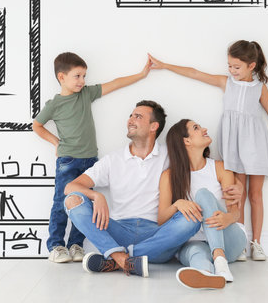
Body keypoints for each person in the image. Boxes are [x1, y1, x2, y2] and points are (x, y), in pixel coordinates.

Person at [149, 40, 268, 261]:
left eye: (236, 67)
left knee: (256, 195)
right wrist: (165, 65)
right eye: (229, 65)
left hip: (255, 143)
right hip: (233, 143)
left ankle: (256, 243)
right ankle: (239, 241)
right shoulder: (226, 83)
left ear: (252, 65)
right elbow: (195, 73)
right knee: (235, 194)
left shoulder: (260, 88)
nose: (231, 70)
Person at [33, 52, 151, 264]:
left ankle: (76, 245)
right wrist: (55, 142)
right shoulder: (55, 104)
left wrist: (141, 75)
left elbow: (115, 84)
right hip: (67, 161)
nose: (82, 81)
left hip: (90, 160)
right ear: (62, 77)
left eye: (84, 76)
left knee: (84, 202)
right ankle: (56, 246)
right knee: (61, 202)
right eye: (77, 76)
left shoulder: (86, 94)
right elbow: (37, 126)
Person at [63, 101, 202, 277]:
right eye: (130, 115)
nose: (130, 120)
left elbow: (201, 166)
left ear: (154, 126)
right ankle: (122, 258)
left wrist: (232, 184)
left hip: (158, 236)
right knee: (73, 200)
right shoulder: (113, 159)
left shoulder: (170, 155)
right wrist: (96, 195)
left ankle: (117, 259)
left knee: (193, 218)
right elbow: (70, 187)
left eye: (138, 116)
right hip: (119, 231)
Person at [158, 119, 246, 289]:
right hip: (194, 241)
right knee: (196, 253)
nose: (205, 129)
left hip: (229, 241)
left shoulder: (220, 168)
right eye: (196, 128)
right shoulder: (169, 176)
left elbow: (235, 212)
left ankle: (220, 260)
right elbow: (161, 219)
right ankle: (207, 275)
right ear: (186, 141)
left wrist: (228, 218)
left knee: (203, 194)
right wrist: (178, 204)